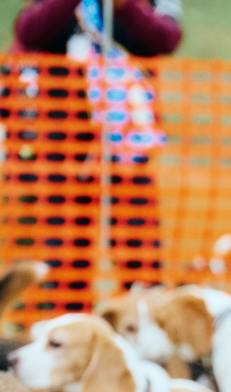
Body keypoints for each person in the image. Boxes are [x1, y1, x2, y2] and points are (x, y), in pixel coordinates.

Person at [5, 0, 179, 318]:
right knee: (65, 247)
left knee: (137, 243)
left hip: (124, 141)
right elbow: (29, 30)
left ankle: (146, 328)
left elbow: (166, 39)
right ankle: (66, 327)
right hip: (62, 140)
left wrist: (126, 8)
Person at [11, 0, 181, 56]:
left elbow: (169, 40)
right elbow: (27, 33)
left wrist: (126, 6)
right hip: (59, 114)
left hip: (128, 114)